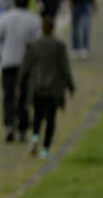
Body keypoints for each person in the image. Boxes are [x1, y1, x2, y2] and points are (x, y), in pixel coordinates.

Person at [0, 0, 41, 144]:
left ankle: (10, 124)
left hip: (8, 61)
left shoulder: (5, 17)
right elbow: (38, 41)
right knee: (24, 96)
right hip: (26, 63)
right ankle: (23, 128)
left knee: (8, 95)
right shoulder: (34, 19)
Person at [18, 17, 76, 160]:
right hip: (54, 88)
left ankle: (35, 136)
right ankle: (45, 149)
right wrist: (70, 86)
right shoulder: (59, 46)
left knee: (37, 115)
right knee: (51, 119)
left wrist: (20, 83)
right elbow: (65, 68)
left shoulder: (34, 45)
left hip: (37, 86)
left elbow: (26, 66)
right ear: (53, 28)